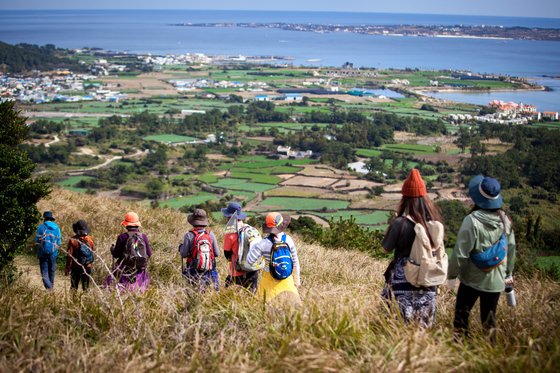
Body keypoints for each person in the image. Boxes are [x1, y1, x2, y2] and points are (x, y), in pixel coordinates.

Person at [448, 175, 516, 340]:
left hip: (471, 279)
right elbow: (511, 250)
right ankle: (490, 354)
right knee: (489, 322)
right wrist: (508, 274)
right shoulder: (505, 220)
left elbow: (460, 253)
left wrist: (451, 276)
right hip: (495, 281)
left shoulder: (471, 221)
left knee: (461, 318)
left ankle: (461, 350)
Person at [381, 169, 444, 328]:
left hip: (403, 279)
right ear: (424, 198)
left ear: (405, 197)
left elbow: (385, 249)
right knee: (423, 327)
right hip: (427, 278)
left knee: (397, 325)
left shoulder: (400, 223)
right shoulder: (433, 223)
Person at [246, 212, 301, 303]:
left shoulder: (262, 244)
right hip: (287, 280)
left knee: (265, 308)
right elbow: (295, 261)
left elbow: (249, 261)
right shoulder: (288, 240)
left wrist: (253, 245)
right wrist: (297, 281)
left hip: (269, 280)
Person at [221, 202, 263, 293]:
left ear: (229, 217)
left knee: (228, 294)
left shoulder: (230, 233)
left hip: (237, 271)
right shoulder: (252, 230)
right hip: (253, 269)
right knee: (251, 296)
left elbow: (227, 254)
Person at [179, 209, 220, 291]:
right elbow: (217, 253)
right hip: (209, 269)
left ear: (193, 222)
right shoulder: (210, 234)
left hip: (193, 269)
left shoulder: (189, 235)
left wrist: (181, 248)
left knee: (193, 290)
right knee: (210, 291)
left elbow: (183, 254)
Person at [110, 212, 152, 290]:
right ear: (137, 224)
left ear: (126, 225)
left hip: (124, 269)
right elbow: (149, 254)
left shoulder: (122, 237)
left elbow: (116, 255)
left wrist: (112, 250)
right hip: (140, 269)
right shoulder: (143, 236)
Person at [34, 211, 62, 290]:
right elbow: (59, 241)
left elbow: (37, 240)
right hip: (54, 253)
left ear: (44, 218)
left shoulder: (41, 227)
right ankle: (51, 289)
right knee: (52, 271)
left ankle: (49, 289)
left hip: (42, 253)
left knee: (44, 272)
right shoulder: (57, 228)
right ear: (51, 219)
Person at [65, 220, 95, 291]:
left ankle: (73, 301)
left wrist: (67, 268)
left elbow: (69, 255)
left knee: (74, 287)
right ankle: (86, 300)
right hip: (87, 266)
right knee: (86, 288)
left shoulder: (73, 240)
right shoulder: (90, 239)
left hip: (76, 266)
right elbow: (93, 250)